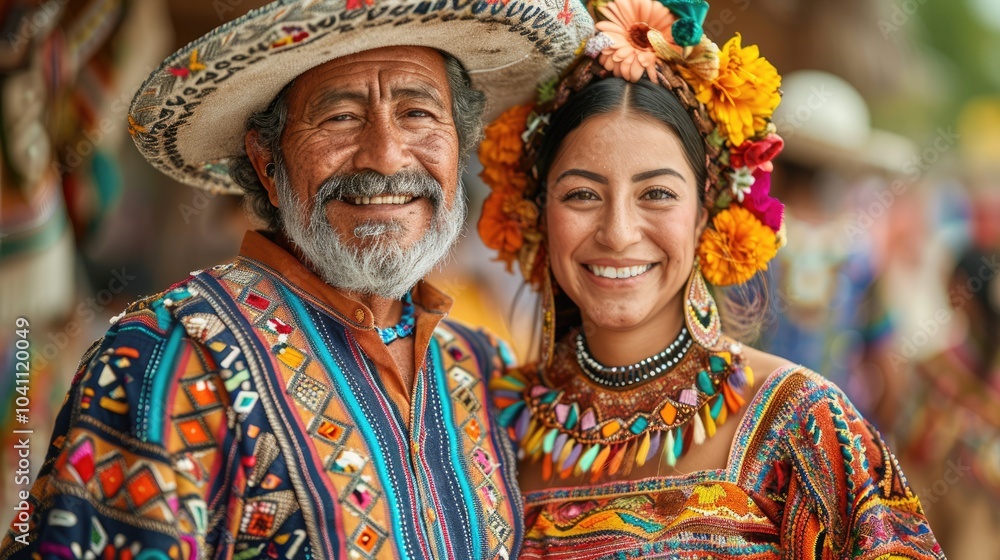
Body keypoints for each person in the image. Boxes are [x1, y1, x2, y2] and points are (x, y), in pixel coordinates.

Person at [1, 1, 591, 558]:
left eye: (418, 113)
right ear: (267, 164)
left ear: (459, 145)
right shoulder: (170, 354)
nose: (386, 156)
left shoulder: (480, 370)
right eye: (340, 117)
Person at [477, 0, 944, 557]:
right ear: (537, 212)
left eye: (657, 194)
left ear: (705, 213)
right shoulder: (487, 429)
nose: (618, 233)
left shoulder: (801, 421)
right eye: (581, 194)